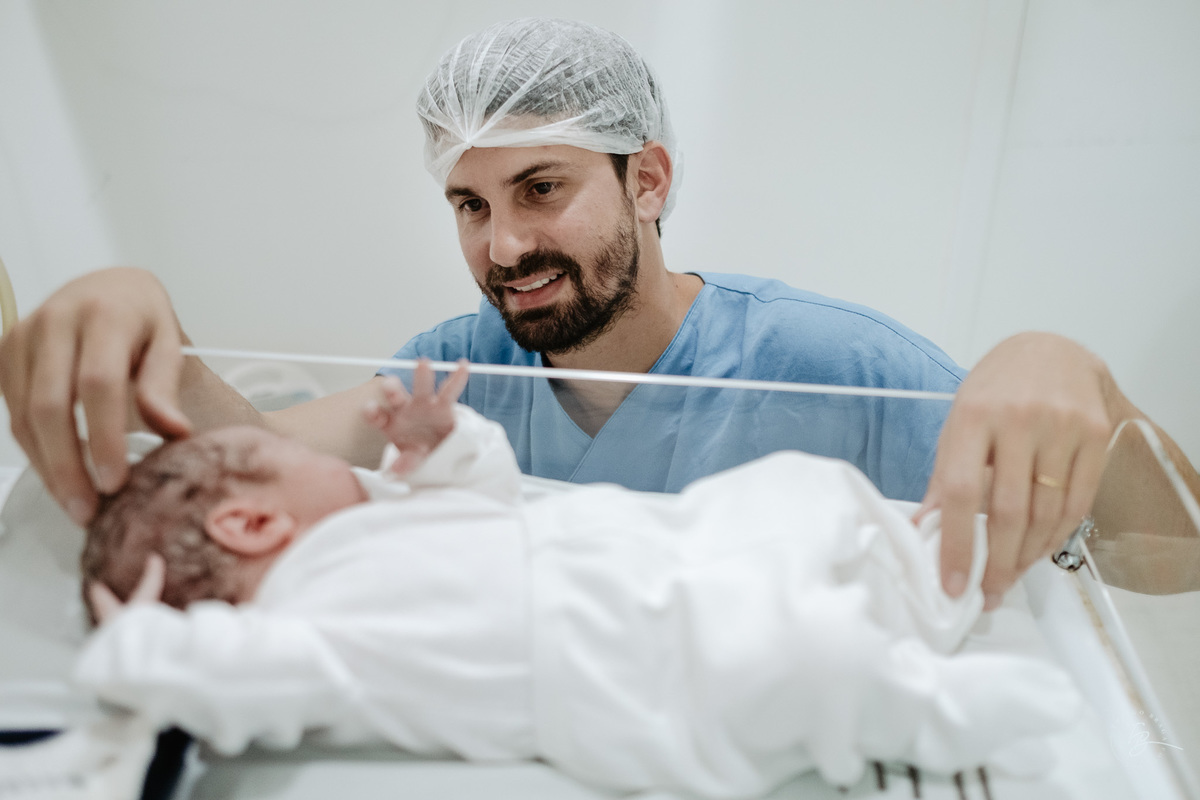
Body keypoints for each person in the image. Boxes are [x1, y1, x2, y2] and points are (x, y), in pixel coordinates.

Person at [1, 19, 1195, 614]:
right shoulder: (453, 370)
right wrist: (149, 321)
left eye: (541, 189)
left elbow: (1169, 557)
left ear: (650, 181)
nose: (502, 247)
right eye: (470, 203)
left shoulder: (841, 363)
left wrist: (1084, 385)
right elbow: (247, 454)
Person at [77, 363, 1078, 797]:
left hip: (628, 550)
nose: (317, 450)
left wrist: (443, 443)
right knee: (790, 657)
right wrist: (142, 646)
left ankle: (925, 567)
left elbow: (491, 498)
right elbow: (229, 681)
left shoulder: (382, 514)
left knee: (788, 494)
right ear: (251, 522)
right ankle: (925, 704)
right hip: (611, 670)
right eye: (279, 450)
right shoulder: (304, 630)